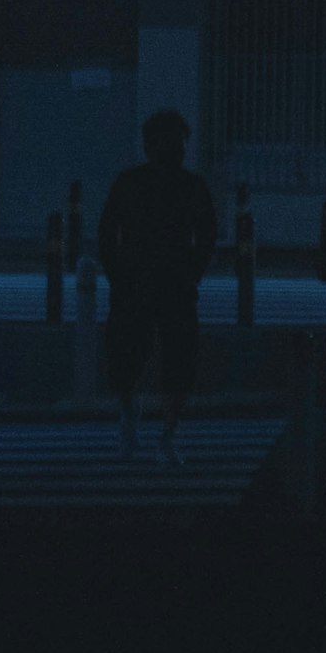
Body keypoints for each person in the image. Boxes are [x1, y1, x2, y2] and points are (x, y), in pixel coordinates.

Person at [95, 111, 218, 462]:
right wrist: (118, 274)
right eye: (168, 146)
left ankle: (161, 430)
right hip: (143, 283)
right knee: (130, 357)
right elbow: (108, 233)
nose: (173, 153)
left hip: (166, 284)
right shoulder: (139, 184)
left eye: (177, 147)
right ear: (150, 147)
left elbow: (206, 235)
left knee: (174, 361)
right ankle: (143, 421)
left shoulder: (150, 184)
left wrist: (192, 272)